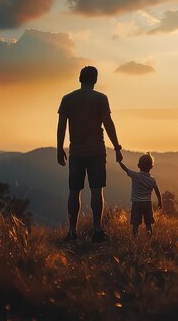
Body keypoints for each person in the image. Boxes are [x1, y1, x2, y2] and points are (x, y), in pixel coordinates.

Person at [57, 66, 123, 243]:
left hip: (76, 152)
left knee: (74, 191)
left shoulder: (68, 99)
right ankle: (97, 230)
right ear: (95, 80)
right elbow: (108, 123)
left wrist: (59, 149)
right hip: (96, 151)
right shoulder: (101, 99)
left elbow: (61, 126)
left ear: (79, 78)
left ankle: (72, 232)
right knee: (96, 190)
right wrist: (117, 147)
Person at [118, 153, 162, 236]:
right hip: (147, 204)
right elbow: (157, 191)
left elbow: (125, 169)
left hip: (136, 203)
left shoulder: (135, 176)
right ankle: (150, 238)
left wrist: (119, 162)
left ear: (138, 165)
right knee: (148, 223)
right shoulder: (152, 180)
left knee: (135, 224)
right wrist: (160, 202)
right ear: (151, 167)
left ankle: (135, 238)